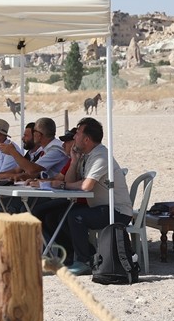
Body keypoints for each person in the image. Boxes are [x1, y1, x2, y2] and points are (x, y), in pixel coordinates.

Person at [50, 117, 133, 275]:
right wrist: (74, 162)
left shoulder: (100, 156)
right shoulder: (86, 155)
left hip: (117, 211)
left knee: (76, 216)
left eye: (78, 134)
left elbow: (86, 186)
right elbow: (72, 181)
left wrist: (63, 185)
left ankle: (84, 261)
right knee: (60, 215)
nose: (74, 137)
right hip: (100, 207)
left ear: (87, 139)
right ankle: (88, 255)